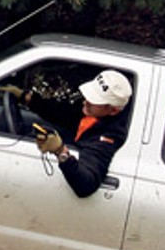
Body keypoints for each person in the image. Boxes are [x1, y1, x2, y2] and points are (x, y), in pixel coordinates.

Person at [33, 68, 132, 198]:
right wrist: (28, 99)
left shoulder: (109, 136)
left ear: (113, 111)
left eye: (94, 100)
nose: (85, 101)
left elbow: (86, 185)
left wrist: (61, 152)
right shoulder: (93, 111)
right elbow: (61, 113)